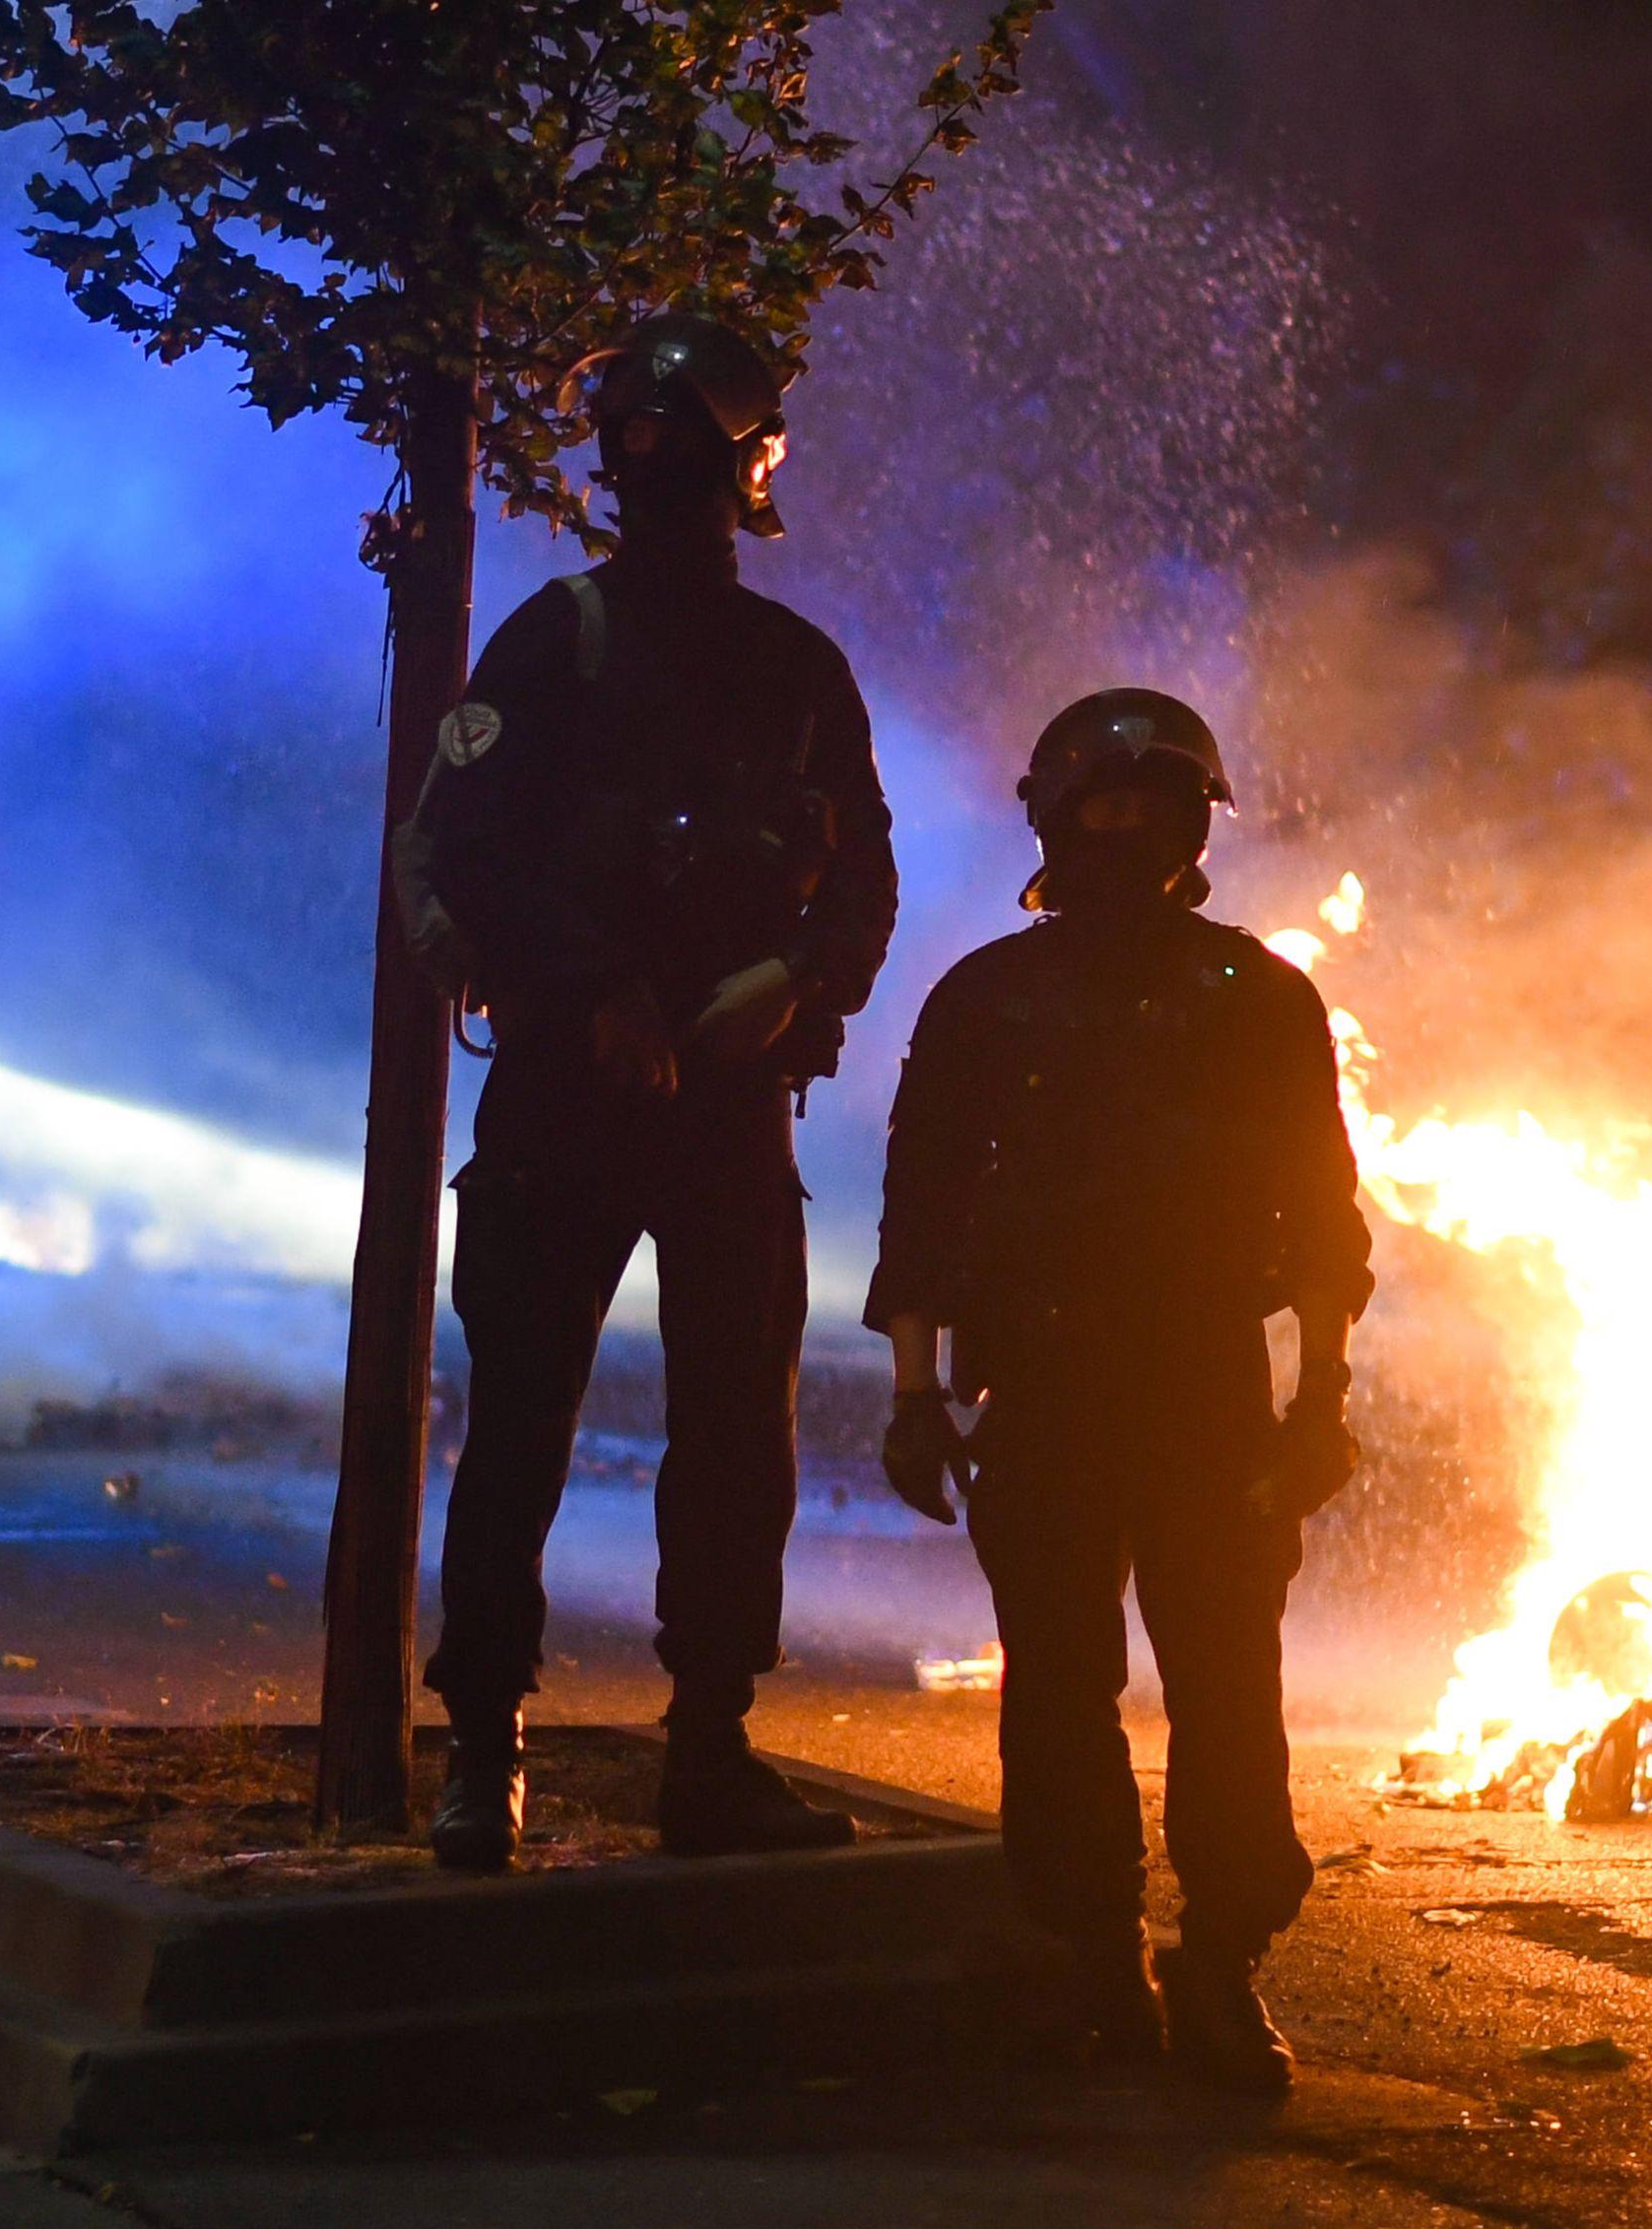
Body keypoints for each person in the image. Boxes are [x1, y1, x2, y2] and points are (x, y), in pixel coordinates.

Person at [402, 312, 898, 1869]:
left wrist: (793, 987)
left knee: (704, 1435)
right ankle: (533, 1750)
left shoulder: (775, 666)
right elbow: (474, 848)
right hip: (583, 1089)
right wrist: (604, 993)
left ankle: (625, 1753)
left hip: (705, 1099)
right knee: (575, 1432)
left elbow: (859, 885)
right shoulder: (578, 640)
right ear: (753, 461)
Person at [865, 689, 1373, 2095]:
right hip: (1041, 1388)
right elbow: (923, 1211)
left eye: (1152, 805)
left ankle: (1218, 1965)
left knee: (1227, 1686)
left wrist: (1319, 1396)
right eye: (1100, 804)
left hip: (1207, 1390)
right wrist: (918, 1389)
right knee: (1061, 1692)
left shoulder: (1262, 996)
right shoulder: (987, 999)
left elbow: (1321, 1218)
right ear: (1051, 817)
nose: (1125, 829)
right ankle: (1097, 1959)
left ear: (1195, 824)